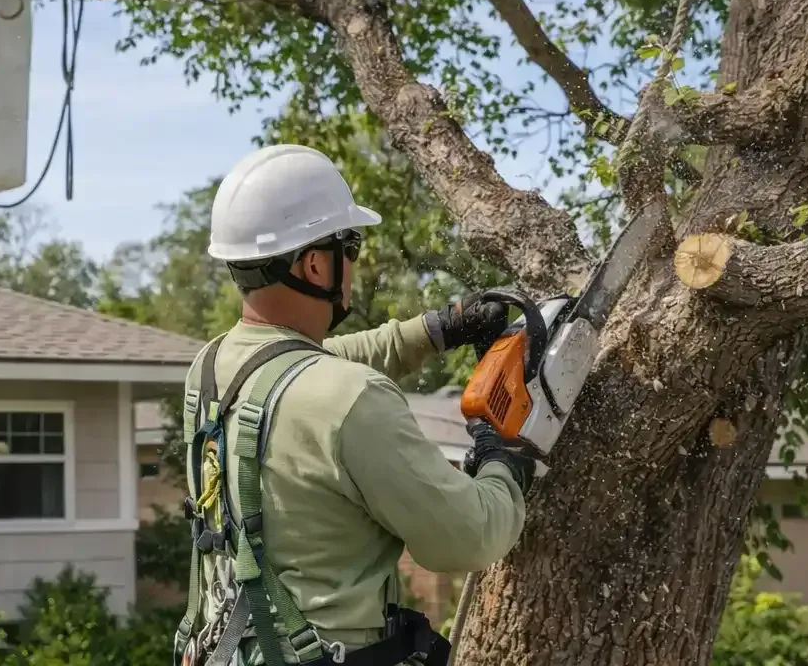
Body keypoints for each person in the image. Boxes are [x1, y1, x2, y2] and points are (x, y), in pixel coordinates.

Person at [174, 143, 539, 666]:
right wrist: (506, 457)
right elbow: (469, 539)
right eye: (352, 246)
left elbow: (298, 366)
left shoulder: (209, 369)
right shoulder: (353, 400)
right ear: (317, 264)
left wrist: (436, 330)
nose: (354, 264)